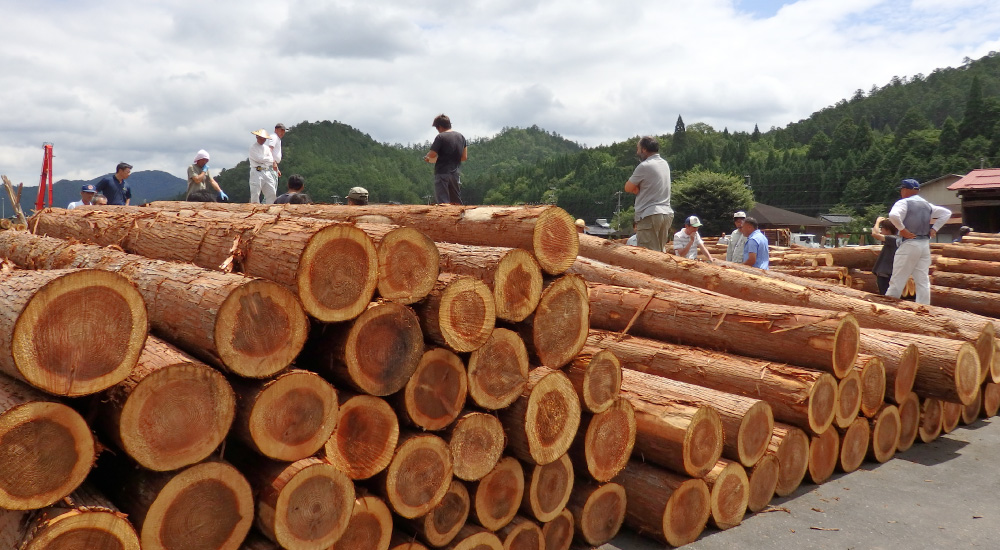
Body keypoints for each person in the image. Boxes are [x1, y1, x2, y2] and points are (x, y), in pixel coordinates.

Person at [886, 178, 951, 304]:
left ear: (905, 190)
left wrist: (902, 229)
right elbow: (946, 213)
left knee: (898, 278)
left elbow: (893, 215)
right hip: (924, 245)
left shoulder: (903, 203)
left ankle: (889, 305)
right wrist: (935, 228)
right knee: (923, 280)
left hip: (909, 243)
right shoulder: (927, 205)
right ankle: (924, 307)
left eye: (902, 189)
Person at [624, 136, 672, 252]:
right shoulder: (664, 164)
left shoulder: (644, 166)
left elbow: (628, 187)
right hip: (666, 213)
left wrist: (637, 189)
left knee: (648, 256)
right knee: (660, 253)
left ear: (644, 149)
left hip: (650, 214)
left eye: (638, 149)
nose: (637, 152)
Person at [424, 114, 467, 204]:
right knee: (456, 202)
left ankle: (445, 218)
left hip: (442, 173)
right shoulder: (461, 137)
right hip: (455, 174)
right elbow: (464, 157)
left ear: (439, 127)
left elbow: (432, 154)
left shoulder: (441, 137)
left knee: (443, 201)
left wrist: (427, 157)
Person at [870, 217, 899, 295]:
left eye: (882, 228)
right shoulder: (895, 239)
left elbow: (874, 234)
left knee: (886, 296)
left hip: (886, 274)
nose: (881, 230)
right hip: (886, 273)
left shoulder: (893, 239)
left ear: (887, 229)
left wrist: (877, 221)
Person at [249, 129, 276, 204]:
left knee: (272, 192)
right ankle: (255, 209)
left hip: (267, 171)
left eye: (264, 139)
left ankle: (270, 208)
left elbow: (271, 160)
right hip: (256, 171)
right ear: (257, 137)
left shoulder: (267, 148)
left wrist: (264, 159)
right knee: (255, 193)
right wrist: (266, 159)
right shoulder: (253, 147)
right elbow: (258, 159)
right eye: (261, 138)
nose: (263, 140)